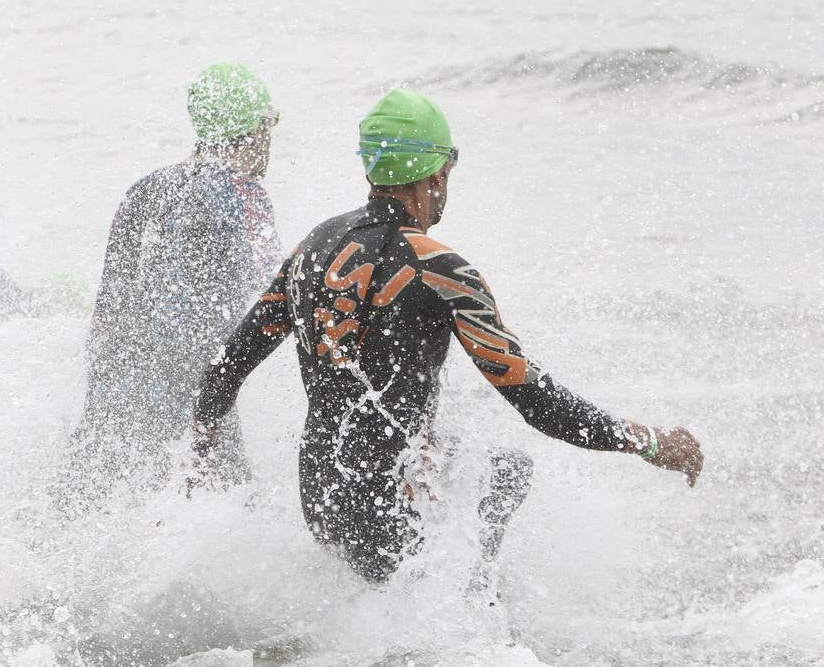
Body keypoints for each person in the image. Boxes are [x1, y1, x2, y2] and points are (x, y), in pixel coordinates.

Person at [189, 89, 704, 584]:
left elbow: (226, 366)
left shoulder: (313, 248)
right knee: (502, 482)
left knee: (488, 467)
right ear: (436, 172)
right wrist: (647, 442)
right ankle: (482, 620)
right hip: (391, 504)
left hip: (321, 493)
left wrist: (200, 457)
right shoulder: (441, 269)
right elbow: (532, 399)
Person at [53, 63, 284, 514]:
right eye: (269, 124)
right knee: (218, 521)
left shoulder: (143, 190)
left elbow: (108, 305)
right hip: (193, 383)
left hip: (118, 376)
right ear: (254, 129)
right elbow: (271, 300)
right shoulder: (246, 197)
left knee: (92, 511)